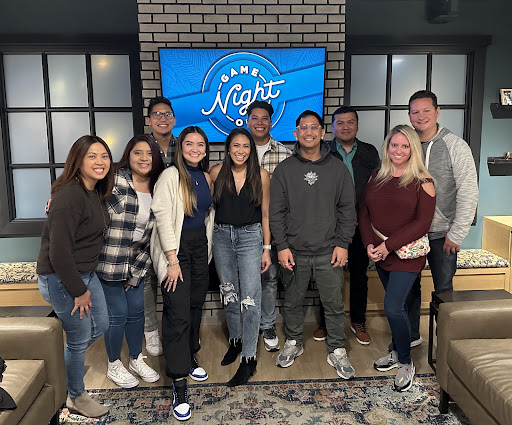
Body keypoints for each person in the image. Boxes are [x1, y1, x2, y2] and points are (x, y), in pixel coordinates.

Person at [270, 110, 357, 379]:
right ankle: (293, 341)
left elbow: (347, 210)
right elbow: (276, 213)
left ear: (322, 132)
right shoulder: (284, 170)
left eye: (313, 127)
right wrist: (281, 246)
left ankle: (337, 348)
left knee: (333, 304)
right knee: (292, 301)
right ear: (296, 133)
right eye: (303, 128)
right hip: (293, 250)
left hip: (329, 250)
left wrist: (343, 244)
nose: (308, 132)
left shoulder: (338, 169)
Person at [37, 135, 114, 418]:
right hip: (61, 277)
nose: (100, 161)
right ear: (77, 161)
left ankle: (62, 364)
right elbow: (58, 253)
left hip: (85, 272)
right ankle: (76, 396)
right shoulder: (69, 196)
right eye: (91, 156)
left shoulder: (92, 190)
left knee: (101, 323)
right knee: (79, 336)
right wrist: (79, 291)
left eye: (104, 156)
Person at [359, 125, 436, 392]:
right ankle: (396, 349)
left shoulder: (423, 181)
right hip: (381, 253)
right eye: (394, 145)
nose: (399, 150)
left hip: (406, 255)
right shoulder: (376, 175)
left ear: (413, 149)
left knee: (392, 307)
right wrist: (369, 244)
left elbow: (423, 223)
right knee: (399, 307)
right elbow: (364, 213)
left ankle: (405, 361)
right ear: (387, 147)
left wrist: (387, 246)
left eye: (405, 146)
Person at [150, 126, 214, 421]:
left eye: (200, 144)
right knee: (177, 312)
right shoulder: (170, 176)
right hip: (175, 250)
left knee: (195, 306)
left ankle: (189, 357)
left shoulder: (205, 177)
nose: (195, 149)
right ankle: (178, 383)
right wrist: (172, 259)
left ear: (205, 149)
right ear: (180, 147)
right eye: (189, 143)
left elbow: (207, 215)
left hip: (200, 248)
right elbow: (163, 217)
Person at [406, 90, 478, 345]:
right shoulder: (405, 144)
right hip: (410, 233)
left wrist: (456, 233)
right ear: (409, 115)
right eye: (415, 112)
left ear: (437, 112)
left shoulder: (455, 145)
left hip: (443, 233)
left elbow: (468, 190)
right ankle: (411, 336)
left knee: (444, 289)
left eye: (426, 110)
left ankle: (446, 341)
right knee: (408, 287)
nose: (421, 116)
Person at [96, 135, 164, 388]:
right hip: (108, 260)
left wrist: (136, 272)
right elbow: (79, 191)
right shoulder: (113, 178)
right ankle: (114, 364)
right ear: (128, 155)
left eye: (149, 153)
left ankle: (136, 359)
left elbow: (150, 235)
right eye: (137, 152)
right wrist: (55, 200)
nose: (144, 158)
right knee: (117, 315)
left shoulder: (158, 186)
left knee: (137, 313)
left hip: (136, 261)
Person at [209, 128, 272, 387]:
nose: (241, 150)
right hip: (222, 236)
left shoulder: (262, 175)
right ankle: (235, 341)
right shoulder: (216, 173)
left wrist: (267, 248)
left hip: (250, 237)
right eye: (236, 145)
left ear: (251, 150)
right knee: (229, 293)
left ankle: (249, 358)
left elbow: (265, 214)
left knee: (250, 299)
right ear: (228, 148)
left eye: (246, 146)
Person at [315, 106, 380, 345]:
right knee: (329, 275)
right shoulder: (323, 151)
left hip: (361, 223)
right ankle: (325, 322)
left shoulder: (370, 152)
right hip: (330, 225)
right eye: (340, 123)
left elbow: (378, 186)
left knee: (359, 275)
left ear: (357, 125)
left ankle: (358, 320)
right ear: (332, 127)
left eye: (350, 122)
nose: (345, 127)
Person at [246, 100, 292, 353]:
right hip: (242, 225)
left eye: (264, 118)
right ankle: (246, 325)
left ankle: (267, 325)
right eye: (255, 118)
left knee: (269, 277)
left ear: (271, 122)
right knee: (244, 279)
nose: (260, 122)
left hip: (273, 226)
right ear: (247, 121)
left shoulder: (285, 154)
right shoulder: (238, 150)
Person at [143, 96, 177, 357]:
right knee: (147, 279)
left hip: (174, 222)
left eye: (167, 114)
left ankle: (175, 329)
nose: (162, 118)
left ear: (174, 119)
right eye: (157, 114)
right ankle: (151, 330)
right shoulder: (141, 146)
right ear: (149, 120)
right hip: (145, 220)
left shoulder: (183, 144)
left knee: (171, 276)